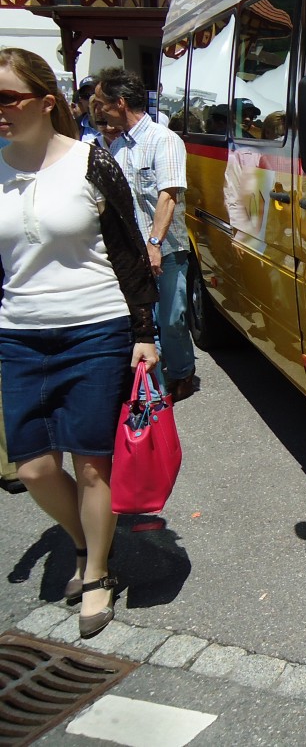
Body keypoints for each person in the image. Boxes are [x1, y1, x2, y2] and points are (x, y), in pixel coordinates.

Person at [0, 47, 159, 638]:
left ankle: (95, 570)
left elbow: (128, 251)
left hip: (95, 328)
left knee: (93, 464)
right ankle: (80, 540)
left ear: (46, 101)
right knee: (35, 467)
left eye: (8, 98)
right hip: (19, 334)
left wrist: (146, 333)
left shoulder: (91, 161)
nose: (0, 110)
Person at [92, 68, 197, 402]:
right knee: (142, 322)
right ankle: (154, 387)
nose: (98, 110)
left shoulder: (163, 140)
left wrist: (154, 243)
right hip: (129, 252)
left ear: (120, 103)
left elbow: (169, 196)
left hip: (166, 249)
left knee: (171, 319)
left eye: (101, 103)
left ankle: (182, 372)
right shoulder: (117, 145)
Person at [70, 76, 100, 143]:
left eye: (94, 94)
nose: (91, 99)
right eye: (86, 95)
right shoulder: (73, 128)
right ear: (81, 100)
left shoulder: (116, 126)